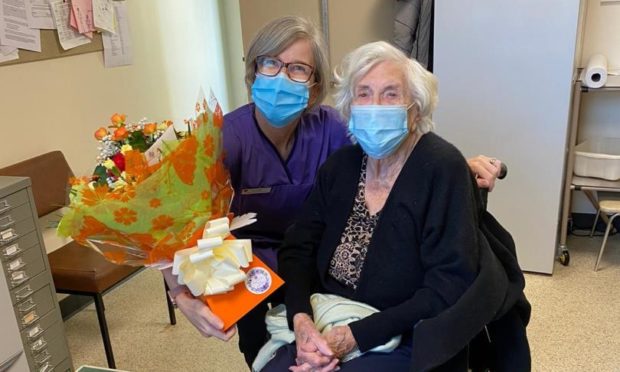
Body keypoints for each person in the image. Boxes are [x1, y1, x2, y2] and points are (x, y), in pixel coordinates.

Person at [162, 16, 505, 369]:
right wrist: (183, 293)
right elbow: (168, 222)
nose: (374, 108)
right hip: (253, 264)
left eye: (297, 68)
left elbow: (405, 154)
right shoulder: (227, 140)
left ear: (314, 85)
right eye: (270, 63)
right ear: (253, 69)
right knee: (266, 350)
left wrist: (457, 164)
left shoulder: (334, 132)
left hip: (379, 314)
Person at [260, 41, 528, 371]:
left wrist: (353, 336)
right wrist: (301, 321)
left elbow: (448, 283)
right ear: (349, 107)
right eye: (364, 93)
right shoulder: (340, 166)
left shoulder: (441, 168)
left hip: (406, 329)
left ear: (415, 111)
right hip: (328, 314)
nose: (375, 106)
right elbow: (297, 248)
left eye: (390, 94)